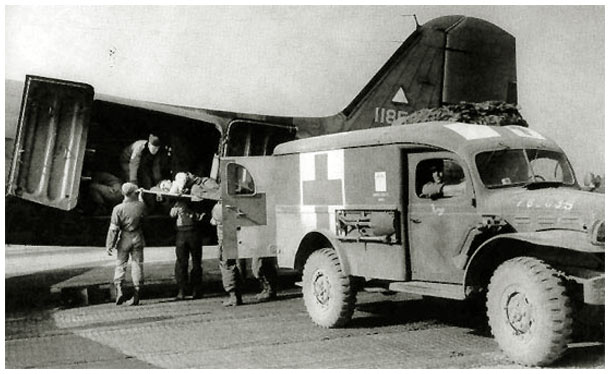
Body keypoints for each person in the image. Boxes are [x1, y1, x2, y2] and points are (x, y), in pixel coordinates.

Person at [211, 201, 278, 307]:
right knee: (260, 258)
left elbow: (215, 220)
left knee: (227, 263)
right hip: (245, 229)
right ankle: (269, 288)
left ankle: (234, 296)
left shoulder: (220, 206)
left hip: (228, 234)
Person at [105, 182, 147, 306]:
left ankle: (119, 290)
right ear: (134, 193)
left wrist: (109, 245)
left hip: (124, 238)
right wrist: (141, 197)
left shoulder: (118, 209)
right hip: (137, 236)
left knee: (120, 264)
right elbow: (145, 213)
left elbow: (113, 229)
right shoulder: (141, 205)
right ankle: (137, 293)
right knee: (137, 265)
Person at [170, 199, 205, 300]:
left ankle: (189, 290)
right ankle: (186, 289)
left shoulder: (195, 201)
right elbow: (171, 214)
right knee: (187, 262)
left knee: (188, 262)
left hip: (189, 231)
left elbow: (201, 216)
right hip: (187, 232)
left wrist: (191, 213)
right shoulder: (178, 203)